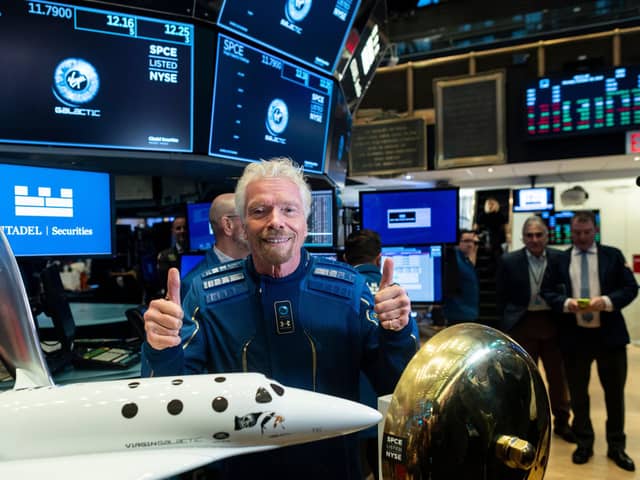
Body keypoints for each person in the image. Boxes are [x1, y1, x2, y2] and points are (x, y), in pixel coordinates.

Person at [142, 157, 417, 479]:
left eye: (289, 210)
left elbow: (395, 387)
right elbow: (171, 398)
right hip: (239, 471)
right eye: (260, 211)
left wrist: (398, 330)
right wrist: (162, 347)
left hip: (333, 468)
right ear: (243, 224)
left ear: (306, 222)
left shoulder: (349, 290)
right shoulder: (205, 295)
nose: (276, 221)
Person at [541, 210, 638, 471]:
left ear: (595, 231)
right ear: (571, 233)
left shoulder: (613, 256)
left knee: (614, 395)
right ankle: (584, 443)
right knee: (579, 395)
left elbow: (630, 288)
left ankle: (616, 447)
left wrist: (606, 302)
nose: (582, 238)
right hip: (575, 338)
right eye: (577, 233)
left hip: (610, 337)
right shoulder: (559, 260)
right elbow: (547, 292)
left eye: (586, 232)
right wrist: (565, 303)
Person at [496, 216, 575, 443]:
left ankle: (562, 422)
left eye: (539, 235)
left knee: (558, 378)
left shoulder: (560, 258)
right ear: (523, 237)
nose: (534, 239)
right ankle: (526, 425)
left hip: (553, 325)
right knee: (525, 380)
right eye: (529, 235)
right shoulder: (509, 261)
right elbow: (500, 297)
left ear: (546, 236)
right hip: (522, 324)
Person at [180, 193, 250, 300]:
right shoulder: (193, 286)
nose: (257, 224)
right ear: (228, 225)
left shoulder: (268, 269)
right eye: (248, 216)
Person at [442, 229, 480, 325]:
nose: (470, 245)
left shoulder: (467, 260)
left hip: (470, 313)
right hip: (457, 314)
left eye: (473, 241)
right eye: (466, 241)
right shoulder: (453, 258)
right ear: (458, 242)